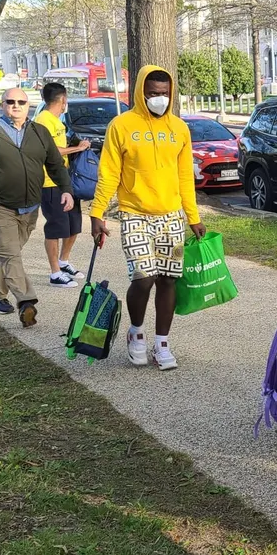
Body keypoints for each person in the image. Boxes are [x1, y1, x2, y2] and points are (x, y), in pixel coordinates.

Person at [90, 66, 206, 371]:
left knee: (168, 279)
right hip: (134, 214)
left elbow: (185, 177)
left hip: (171, 216)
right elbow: (109, 172)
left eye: (164, 94)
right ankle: (136, 332)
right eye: (153, 93)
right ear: (141, 92)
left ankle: (162, 343)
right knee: (144, 278)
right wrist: (97, 212)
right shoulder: (121, 126)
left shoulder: (179, 129)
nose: (159, 99)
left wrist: (193, 217)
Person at [0, 86, 73, 326]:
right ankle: (26, 302)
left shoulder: (39, 132)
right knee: (10, 255)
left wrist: (66, 190)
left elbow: (56, 165)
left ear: (28, 106)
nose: (16, 106)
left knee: (9, 255)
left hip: (30, 208)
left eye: (21, 102)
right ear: (2, 105)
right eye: (10, 102)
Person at [36, 82, 91, 287]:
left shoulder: (57, 120)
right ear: (63, 99)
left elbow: (62, 144)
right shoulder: (43, 120)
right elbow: (50, 151)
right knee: (55, 227)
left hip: (65, 179)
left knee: (74, 224)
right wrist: (77, 149)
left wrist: (76, 144)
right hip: (49, 182)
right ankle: (55, 273)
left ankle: (64, 261)